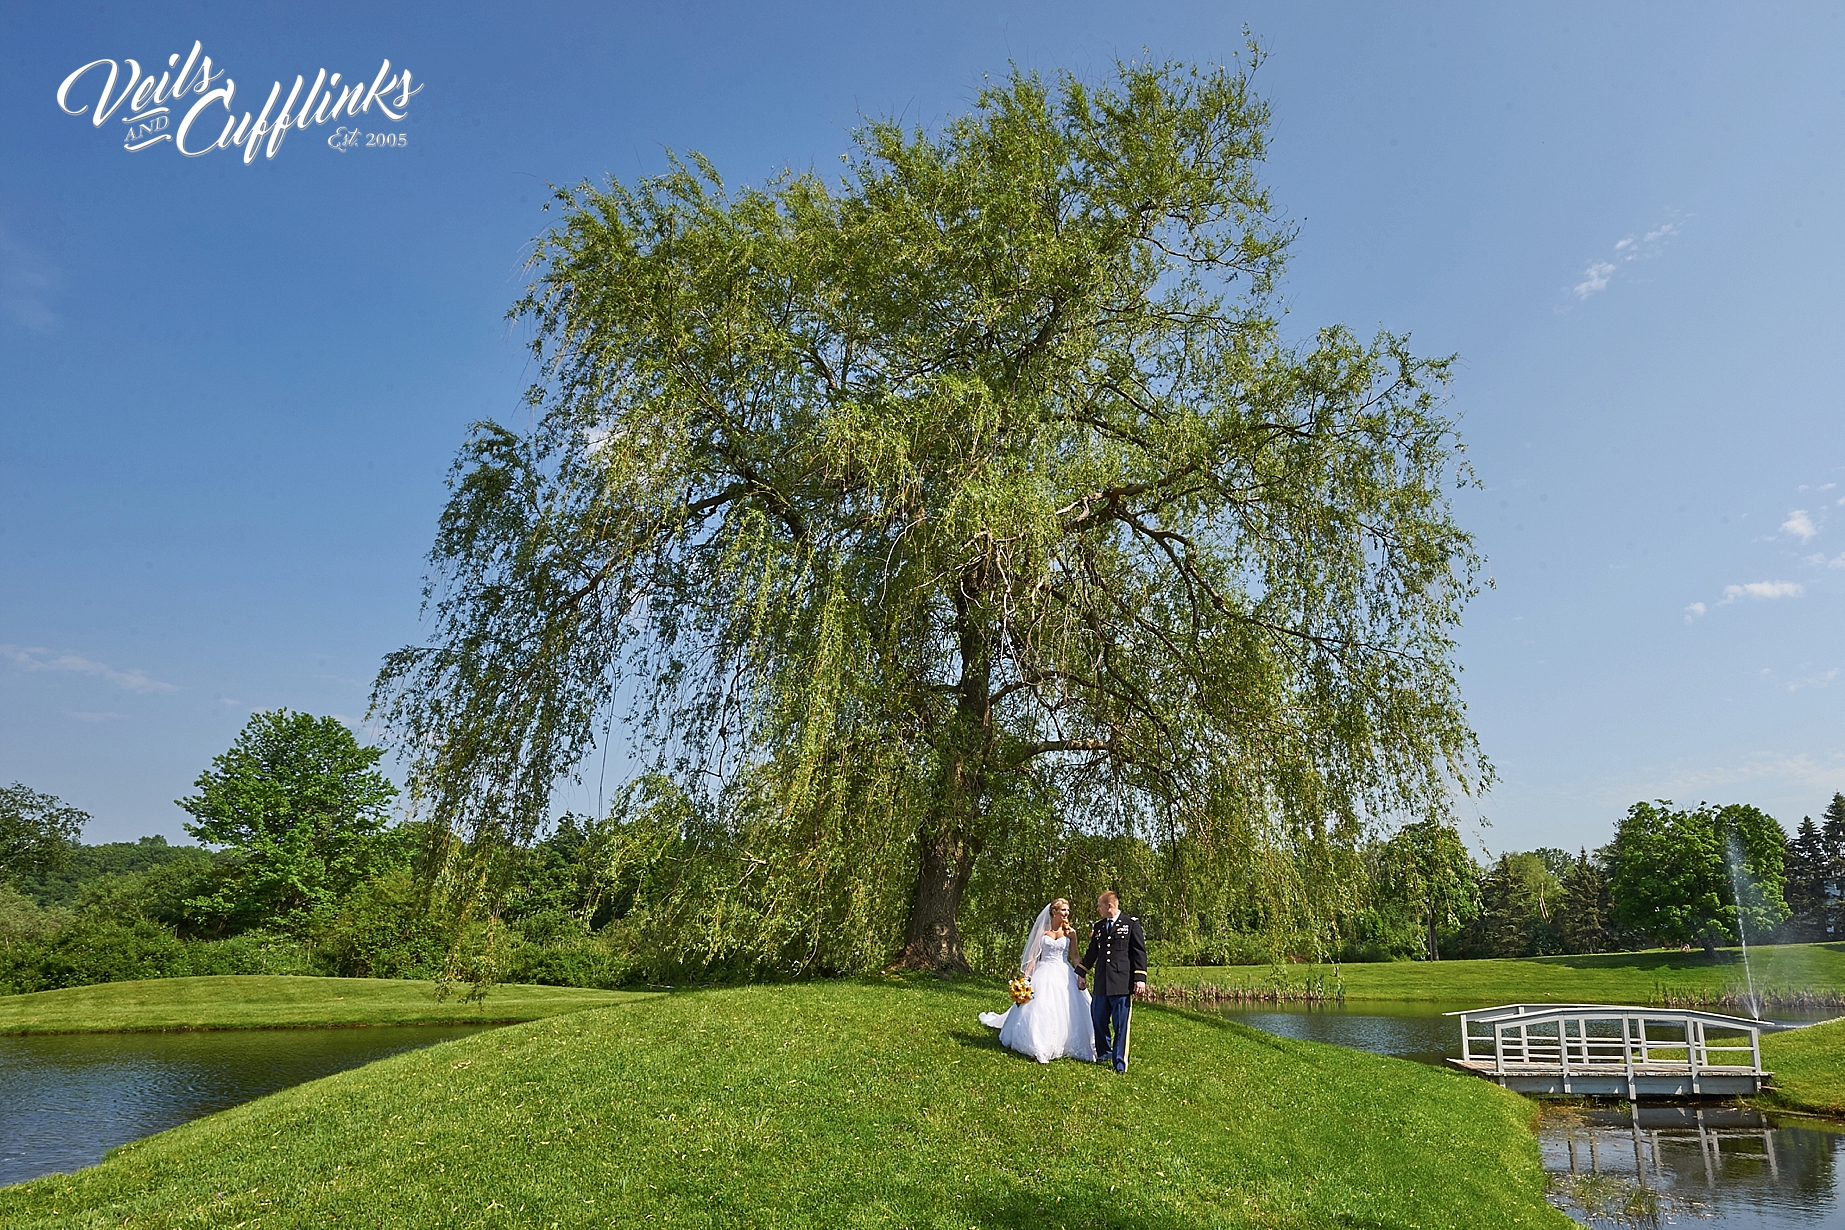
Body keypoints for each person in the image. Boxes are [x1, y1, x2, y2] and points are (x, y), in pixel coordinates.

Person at [977, 898, 1097, 1063]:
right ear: (1054, 911)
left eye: (1067, 910)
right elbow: (1034, 955)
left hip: (1063, 971)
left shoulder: (1071, 933)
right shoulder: (1042, 931)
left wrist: (1080, 974)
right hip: (1044, 971)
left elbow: (1075, 956)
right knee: (1039, 1007)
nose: (1066, 913)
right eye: (1063, 910)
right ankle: (1036, 1042)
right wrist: (1026, 977)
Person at [1073, 890, 1146, 1073]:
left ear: (1109, 906)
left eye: (1099, 906)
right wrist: (1082, 973)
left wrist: (1140, 979)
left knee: (1120, 1024)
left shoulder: (1130, 925)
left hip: (1121, 983)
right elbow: (1092, 953)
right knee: (1098, 1018)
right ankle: (1104, 1052)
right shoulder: (1099, 927)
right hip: (1101, 982)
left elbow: (1139, 953)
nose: (1097, 909)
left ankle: (1120, 1062)